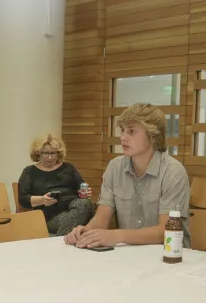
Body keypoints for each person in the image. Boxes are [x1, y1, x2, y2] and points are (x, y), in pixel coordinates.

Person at [64, 104, 190, 248]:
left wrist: (118, 235)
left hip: (169, 257)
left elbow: (166, 231)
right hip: (129, 256)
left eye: (131, 131)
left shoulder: (173, 172)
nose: (123, 138)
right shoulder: (114, 167)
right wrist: (84, 232)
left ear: (152, 135)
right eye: (122, 130)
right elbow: (101, 221)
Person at [18, 133, 95, 236]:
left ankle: (63, 237)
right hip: (50, 215)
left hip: (75, 208)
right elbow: (23, 199)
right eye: (45, 153)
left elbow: (81, 188)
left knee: (85, 203)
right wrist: (42, 200)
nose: (50, 158)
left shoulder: (68, 167)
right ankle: (64, 238)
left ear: (58, 153)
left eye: (53, 153)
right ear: (38, 153)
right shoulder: (30, 171)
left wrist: (85, 192)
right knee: (81, 215)